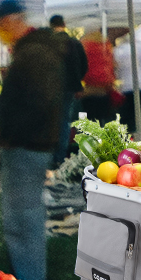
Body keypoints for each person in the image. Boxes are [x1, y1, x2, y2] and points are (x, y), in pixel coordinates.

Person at [0, 0, 66, 280]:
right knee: (22, 217)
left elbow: (41, 102)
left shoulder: (34, 53)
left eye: (0, 26)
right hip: (30, 143)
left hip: (27, 145)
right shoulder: (35, 51)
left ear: (12, 21)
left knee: (24, 218)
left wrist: (12, 132)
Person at [49, 15, 88, 167]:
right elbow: (84, 65)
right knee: (65, 122)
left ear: (51, 25)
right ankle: (60, 157)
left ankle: (51, 156)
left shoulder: (49, 44)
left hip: (51, 89)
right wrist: (77, 83)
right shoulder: (74, 43)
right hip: (69, 88)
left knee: (52, 122)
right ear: (64, 24)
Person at [114, 32, 141, 134]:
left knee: (128, 119)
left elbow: (116, 68)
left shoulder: (120, 50)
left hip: (127, 88)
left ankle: (129, 139)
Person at [80, 30, 118, 124]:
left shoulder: (84, 45)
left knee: (87, 119)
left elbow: (80, 67)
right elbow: (112, 66)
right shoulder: (106, 45)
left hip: (88, 90)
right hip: (104, 89)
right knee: (103, 120)